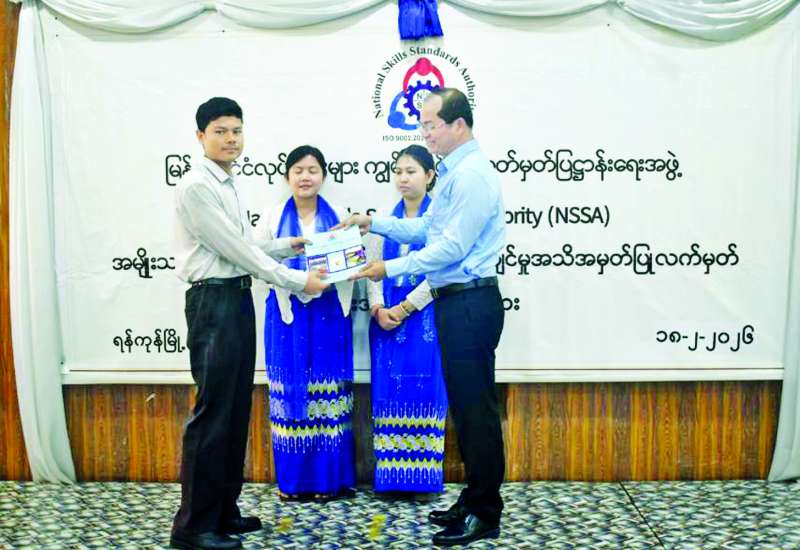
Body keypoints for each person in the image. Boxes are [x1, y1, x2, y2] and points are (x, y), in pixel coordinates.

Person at [342, 88, 506, 547]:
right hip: (456, 302)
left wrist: (389, 267)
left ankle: (485, 512)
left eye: (431, 124)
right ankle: (472, 500)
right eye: (423, 125)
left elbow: (450, 248)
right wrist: (372, 223)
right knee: (466, 411)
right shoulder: (454, 173)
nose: (425, 133)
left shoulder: (471, 175)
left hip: (471, 302)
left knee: (477, 412)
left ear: (458, 124)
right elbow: (427, 229)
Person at [171, 98, 328, 550]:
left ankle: (223, 511)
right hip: (213, 303)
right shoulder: (197, 186)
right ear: (200, 136)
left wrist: (286, 246)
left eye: (236, 131)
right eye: (220, 131)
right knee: (213, 415)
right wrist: (296, 278)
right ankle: (193, 527)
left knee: (235, 410)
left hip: (236, 300)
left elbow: (241, 246)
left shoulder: (229, 183)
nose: (231, 139)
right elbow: (236, 252)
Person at [261, 145, 357, 502]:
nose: (305, 177)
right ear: (287, 176)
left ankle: (330, 482)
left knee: (328, 394)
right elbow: (253, 255)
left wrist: (333, 276)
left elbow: (353, 265)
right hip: (287, 314)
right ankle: (294, 484)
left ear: (323, 176)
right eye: (298, 170)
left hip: (330, 311)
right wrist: (293, 263)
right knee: (292, 393)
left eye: (313, 170)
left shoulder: (339, 216)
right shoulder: (272, 217)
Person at [365, 145, 447, 499]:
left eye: (411, 171)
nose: (403, 177)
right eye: (398, 171)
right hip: (385, 322)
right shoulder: (384, 220)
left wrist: (404, 309)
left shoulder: (440, 220)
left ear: (429, 176)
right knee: (388, 394)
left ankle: (422, 480)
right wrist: (378, 308)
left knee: (425, 390)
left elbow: (439, 272)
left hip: (425, 317)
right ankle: (390, 478)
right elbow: (371, 270)